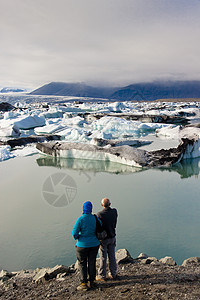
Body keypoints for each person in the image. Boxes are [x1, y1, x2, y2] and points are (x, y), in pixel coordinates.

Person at [72, 201, 101, 291]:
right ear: (91, 209)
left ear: (83, 209)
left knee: (82, 263)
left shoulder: (80, 219)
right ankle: (92, 282)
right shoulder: (95, 218)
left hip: (82, 245)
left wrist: (79, 237)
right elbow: (100, 226)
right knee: (92, 262)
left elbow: (74, 233)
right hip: (94, 244)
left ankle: (84, 283)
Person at [96, 198, 118, 281]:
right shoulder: (114, 212)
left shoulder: (99, 214)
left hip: (104, 239)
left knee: (103, 257)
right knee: (112, 255)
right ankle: (113, 273)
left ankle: (102, 275)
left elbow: (98, 227)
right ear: (110, 204)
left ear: (102, 205)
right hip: (112, 236)